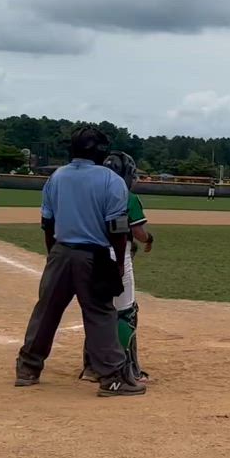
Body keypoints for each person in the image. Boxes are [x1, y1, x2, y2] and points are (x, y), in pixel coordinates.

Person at [14, 126, 145, 397]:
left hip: (60, 252)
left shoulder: (57, 177)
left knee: (46, 312)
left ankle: (28, 369)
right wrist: (119, 263)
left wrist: (53, 254)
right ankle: (112, 378)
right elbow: (118, 229)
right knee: (100, 314)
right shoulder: (111, 180)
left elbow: (47, 223)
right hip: (93, 255)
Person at [81, 151, 155, 384]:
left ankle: (91, 368)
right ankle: (124, 369)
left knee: (98, 313)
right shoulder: (127, 196)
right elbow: (138, 232)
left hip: (89, 255)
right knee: (125, 312)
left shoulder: (90, 194)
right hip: (117, 256)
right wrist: (149, 239)